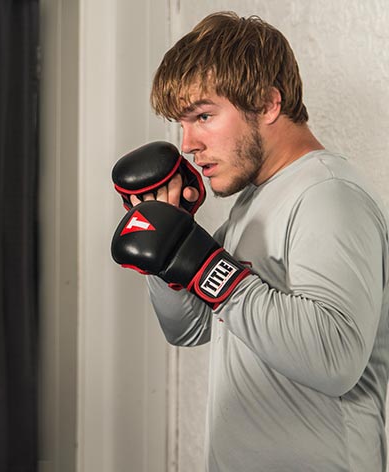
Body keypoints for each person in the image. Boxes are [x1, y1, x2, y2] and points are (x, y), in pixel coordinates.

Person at [110, 12, 389, 471]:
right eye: (183, 123)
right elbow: (193, 329)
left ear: (266, 103)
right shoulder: (256, 198)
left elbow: (335, 359)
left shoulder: (328, 195)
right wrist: (169, 247)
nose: (188, 144)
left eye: (203, 116)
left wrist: (208, 270)